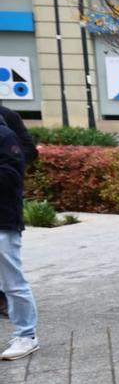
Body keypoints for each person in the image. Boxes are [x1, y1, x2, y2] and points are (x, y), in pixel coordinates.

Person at [0, 118, 38, 360]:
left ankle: (27, 335)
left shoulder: (4, 136)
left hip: (3, 221)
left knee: (12, 283)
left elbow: (11, 176)